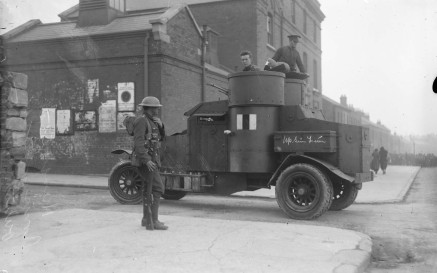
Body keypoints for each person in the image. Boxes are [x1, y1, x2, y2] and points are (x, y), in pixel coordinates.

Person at [133, 96, 168, 230]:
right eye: (155, 108)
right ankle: (154, 220)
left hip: (152, 160)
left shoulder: (152, 121)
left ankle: (146, 219)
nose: (157, 111)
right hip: (146, 162)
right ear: (147, 109)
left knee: (148, 189)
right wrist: (146, 160)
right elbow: (138, 143)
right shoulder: (141, 121)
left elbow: (161, 139)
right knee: (158, 188)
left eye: (157, 108)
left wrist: (161, 126)